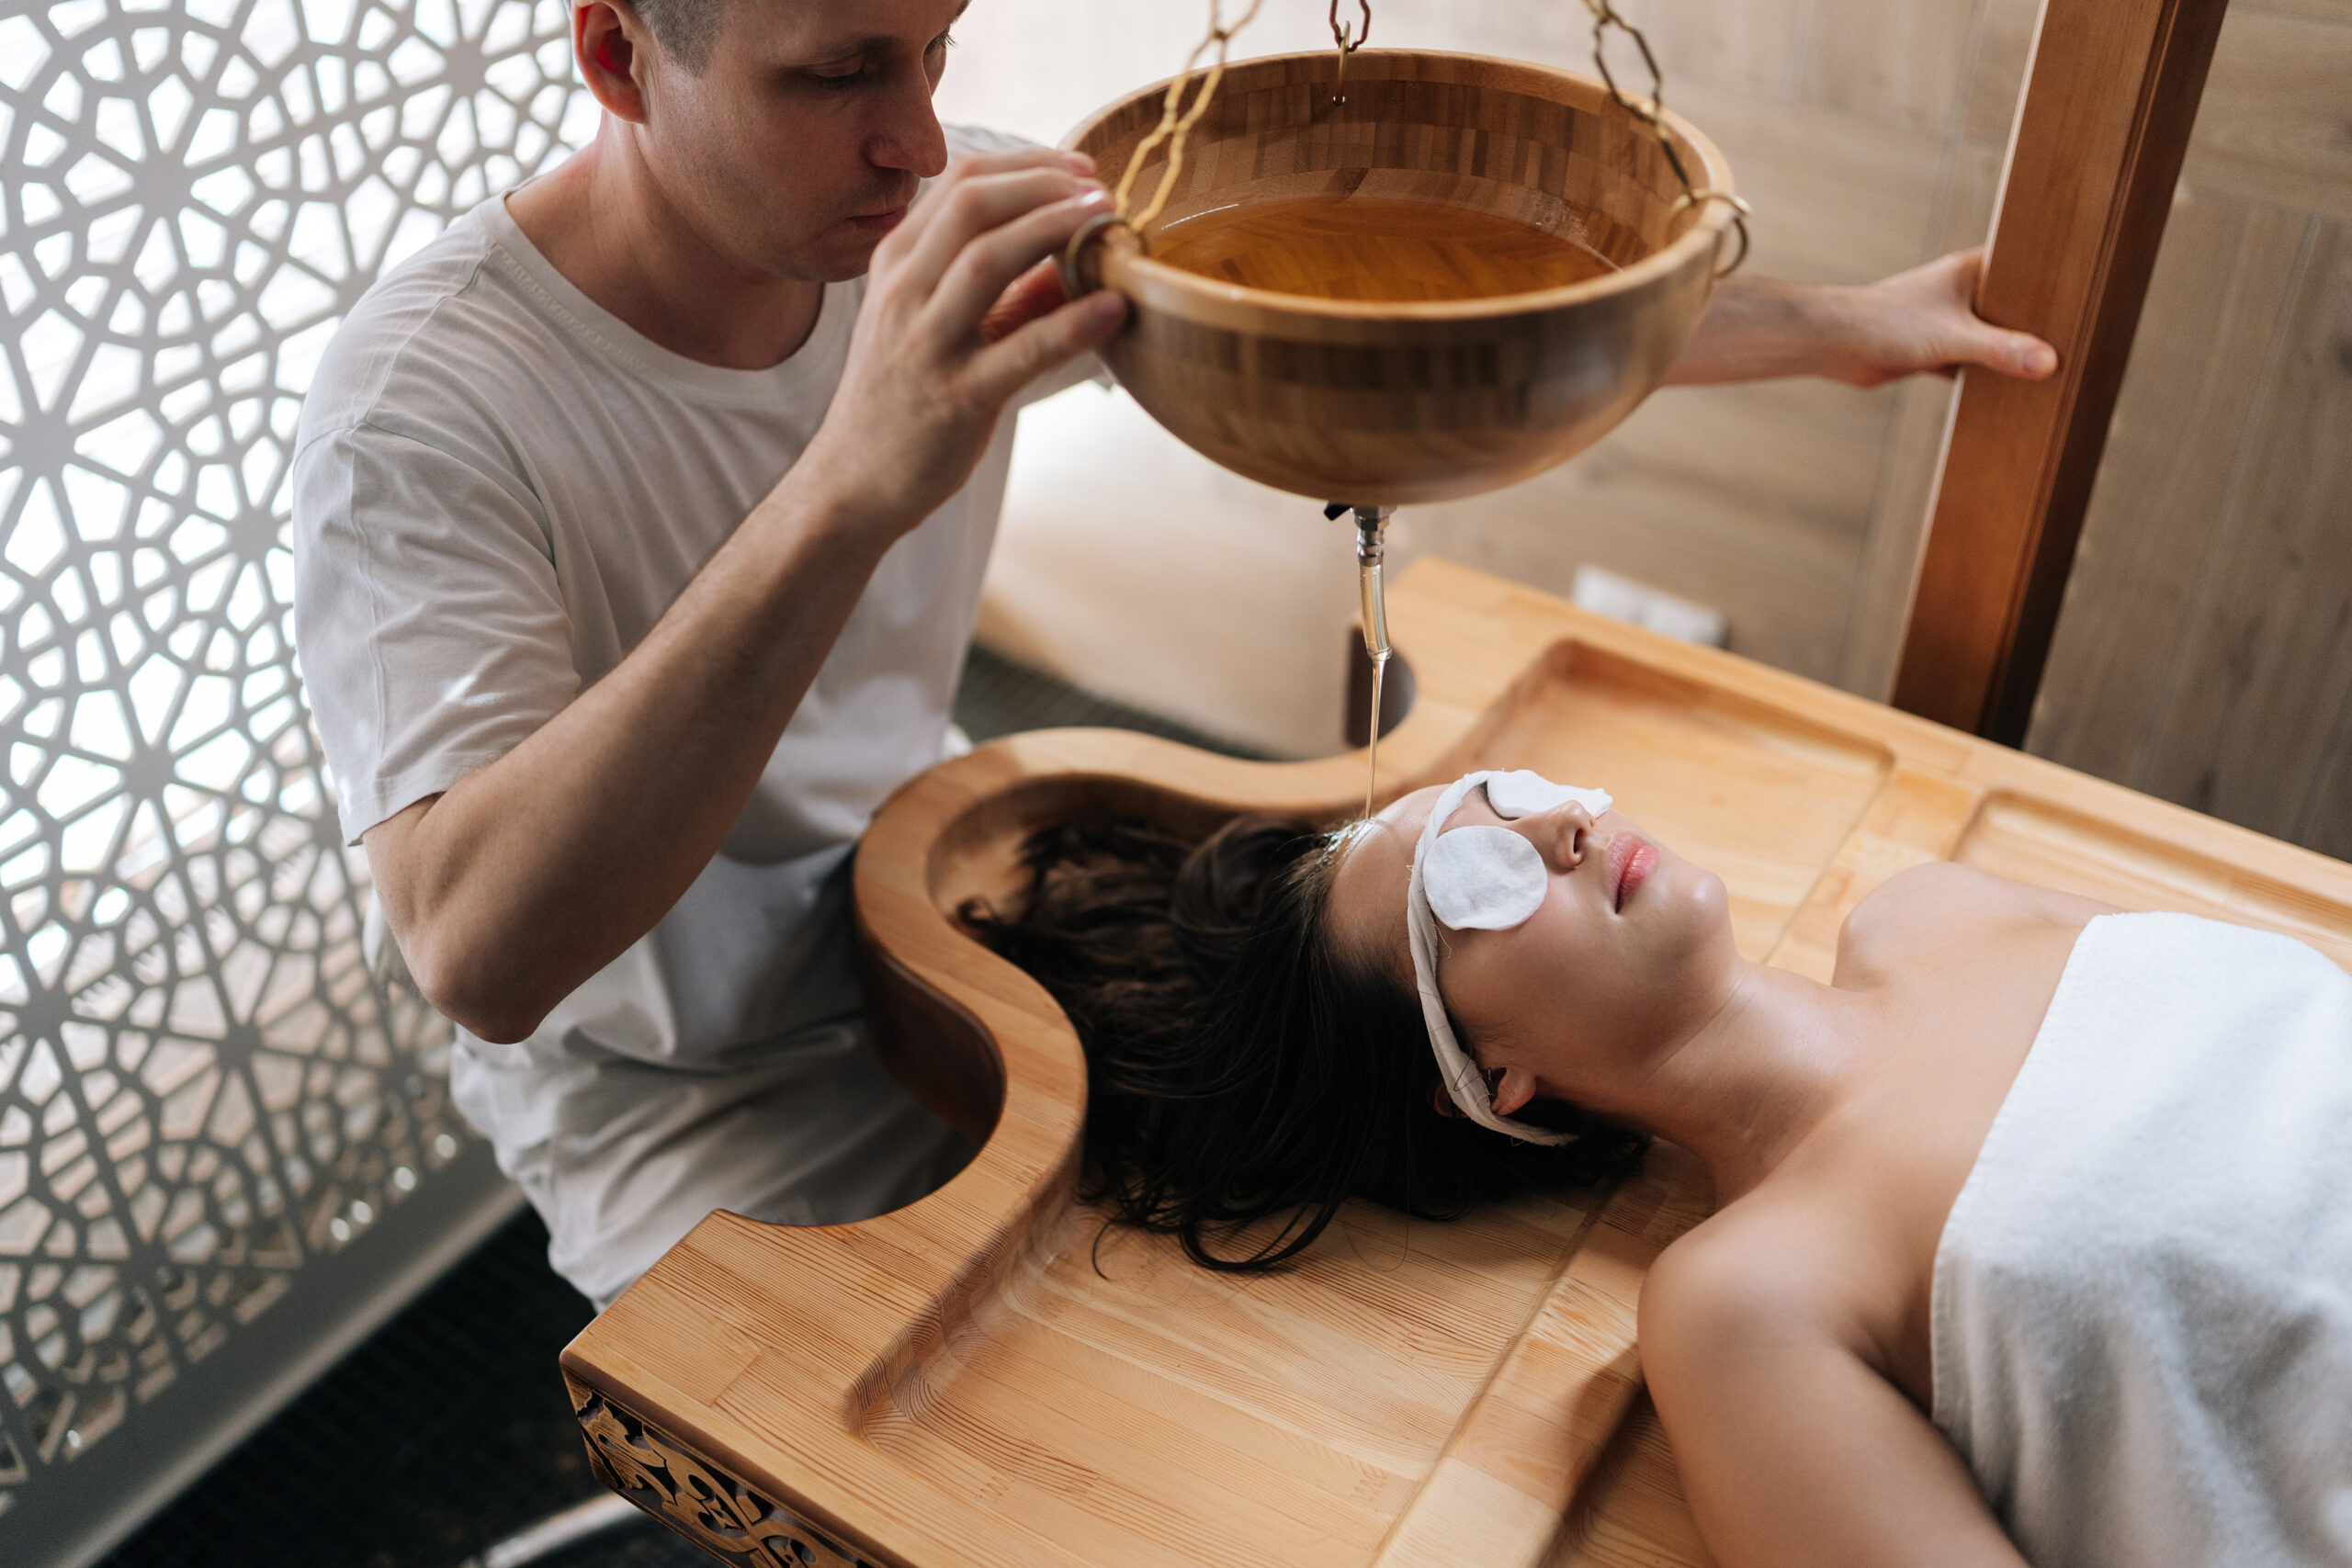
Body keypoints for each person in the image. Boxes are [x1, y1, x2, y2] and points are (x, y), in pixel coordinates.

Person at [291, 0, 2060, 1312]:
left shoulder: (937, 213)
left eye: (939, 47)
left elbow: (1407, 330)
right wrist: (849, 482)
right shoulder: (428, 415)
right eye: (839, 72)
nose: (917, 139)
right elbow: (483, 953)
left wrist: (1840, 332)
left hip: (957, 906)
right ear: (617, 56)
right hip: (684, 1086)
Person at [965, 774, 2352, 1567]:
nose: (1554, 831)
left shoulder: (1937, 909)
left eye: (1505, 794)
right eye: (1472, 888)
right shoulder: (1742, 1305)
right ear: (1488, 1081)